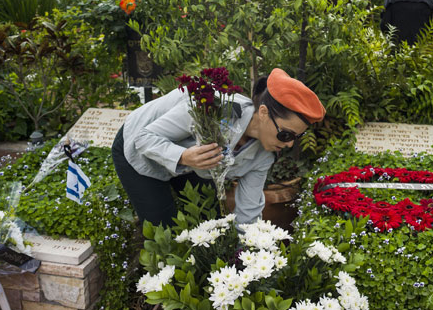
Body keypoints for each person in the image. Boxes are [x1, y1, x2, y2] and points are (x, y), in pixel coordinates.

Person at [111, 68, 325, 229]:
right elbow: (144, 138)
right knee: (163, 227)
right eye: (285, 134)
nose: (288, 144)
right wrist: (183, 156)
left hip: (193, 162)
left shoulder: (264, 155)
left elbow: (248, 213)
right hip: (139, 146)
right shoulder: (211, 106)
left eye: (296, 138)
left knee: (210, 225)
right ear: (263, 112)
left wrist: (248, 260)